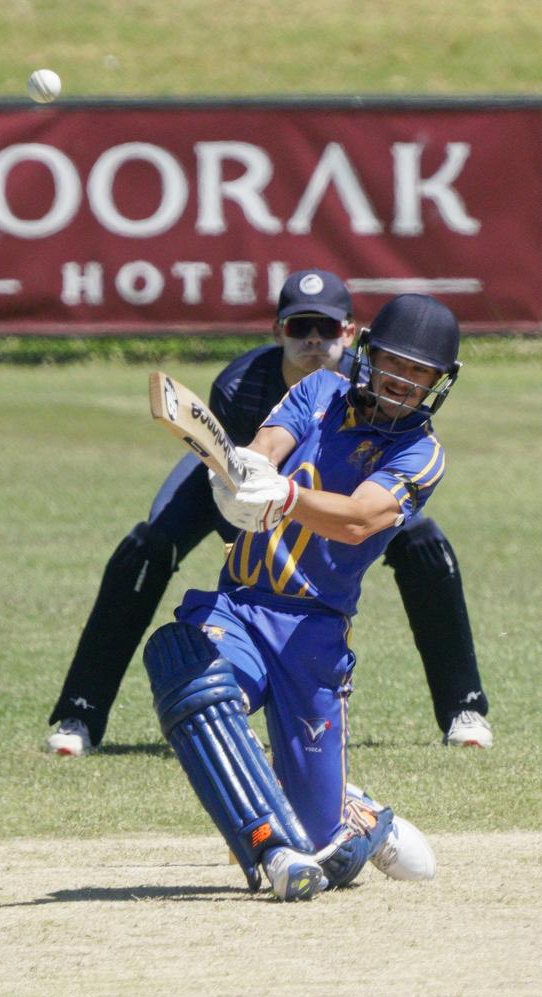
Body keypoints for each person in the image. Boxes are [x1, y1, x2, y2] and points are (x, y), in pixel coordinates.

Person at [46, 270, 491, 755]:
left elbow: (358, 517)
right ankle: (80, 714)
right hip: (250, 478)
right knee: (147, 547)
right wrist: (245, 499)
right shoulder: (243, 386)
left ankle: (462, 708)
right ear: (278, 330)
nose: (314, 341)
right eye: (301, 327)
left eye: (326, 328)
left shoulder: (383, 412)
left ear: (348, 333)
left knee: (425, 547)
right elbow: (250, 481)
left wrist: (292, 505)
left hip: (340, 488)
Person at [142, 291, 462, 901]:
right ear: (366, 353)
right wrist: (240, 478)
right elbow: (264, 452)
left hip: (314, 631)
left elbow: (357, 521)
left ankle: (358, 818)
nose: (402, 380)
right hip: (240, 602)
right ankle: (271, 847)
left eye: (419, 373)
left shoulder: (421, 453)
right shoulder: (318, 391)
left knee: (330, 855)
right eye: (393, 362)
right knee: (193, 679)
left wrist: (284, 498)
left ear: (439, 384)